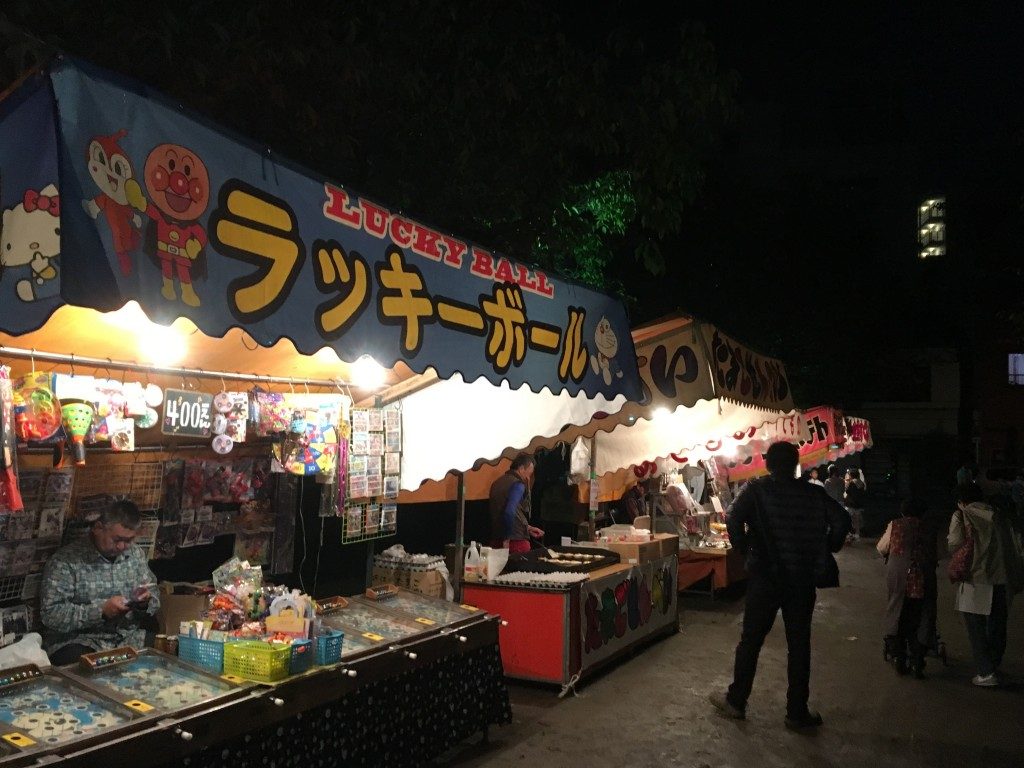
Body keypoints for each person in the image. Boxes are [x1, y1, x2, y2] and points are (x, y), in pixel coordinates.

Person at [710, 441, 850, 730]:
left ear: (769, 464)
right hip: (802, 580)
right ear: (795, 463)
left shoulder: (757, 491)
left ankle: (736, 702)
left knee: (751, 640)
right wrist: (828, 545)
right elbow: (842, 519)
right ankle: (796, 713)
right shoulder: (814, 494)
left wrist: (744, 547)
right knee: (799, 645)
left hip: (766, 577)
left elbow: (732, 517)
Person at [40, 499, 159, 665]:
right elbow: (51, 615)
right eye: (117, 539)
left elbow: (154, 596)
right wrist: (100, 612)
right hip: (81, 641)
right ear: (98, 528)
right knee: (82, 664)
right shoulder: (66, 561)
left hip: (128, 637)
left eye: (129, 540)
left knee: (170, 649)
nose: (122, 546)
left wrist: (142, 604)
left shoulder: (135, 555)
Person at [947, 482, 1024, 686]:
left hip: (976, 578)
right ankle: (994, 663)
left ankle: (986, 671)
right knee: (998, 624)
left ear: (962, 500)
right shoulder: (1000, 515)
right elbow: (1016, 545)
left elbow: (954, 543)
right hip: (1001, 577)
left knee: (976, 626)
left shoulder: (962, 515)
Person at [877, 499, 934, 678]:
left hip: (899, 574)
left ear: (903, 512)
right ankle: (918, 661)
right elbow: (934, 554)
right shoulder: (928, 527)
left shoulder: (895, 525)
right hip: (923, 576)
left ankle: (899, 657)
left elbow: (881, 548)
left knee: (896, 613)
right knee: (921, 615)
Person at [489, 453, 544, 554]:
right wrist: (507, 538)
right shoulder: (518, 485)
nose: (528, 478)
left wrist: (527, 528)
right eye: (529, 473)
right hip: (515, 542)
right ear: (521, 468)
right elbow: (509, 512)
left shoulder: (496, 483)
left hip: (496, 539)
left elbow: (503, 512)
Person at [844, 469, 866, 542]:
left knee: (848, 518)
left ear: (852, 475)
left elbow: (847, 491)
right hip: (859, 504)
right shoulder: (861, 483)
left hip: (851, 504)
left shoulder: (852, 483)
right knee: (857, 520)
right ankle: (857, 535)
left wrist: (848, 483)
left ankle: (848, 534)